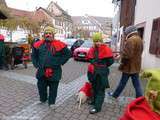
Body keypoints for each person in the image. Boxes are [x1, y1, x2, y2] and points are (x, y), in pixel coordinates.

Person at [31, 26, 71, 108]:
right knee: (41, 87)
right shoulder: (38, 44)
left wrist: (60, 62)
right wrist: (36, 64)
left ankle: (52, 102)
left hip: (55, 71)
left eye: (50, 33)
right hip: (42, 70)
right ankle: (43, 99)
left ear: (53, 35)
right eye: (46, 33)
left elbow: (68, 54)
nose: (48, 35)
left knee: (53, 88)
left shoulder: (59, 44)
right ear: (44, 35)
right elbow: (33, 55)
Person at [110, 25, 143, 99]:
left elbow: (128, 54)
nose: (125, 34)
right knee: (137, 84)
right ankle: (140, 98)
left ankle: (115, 95)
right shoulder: (139, 39)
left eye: (126, 32)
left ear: (129, 32)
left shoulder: (130, 40)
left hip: (128, 67)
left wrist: (120, 57)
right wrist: (122, 53)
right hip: (136, 66)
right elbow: (136, 52)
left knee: (123, 83)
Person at [87, 32, 114, 114]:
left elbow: (110, 61)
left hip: (102, 74)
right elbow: (90, 59)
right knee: (94, 88)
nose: (98, 43)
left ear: (102, 41)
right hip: (93, 73)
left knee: (100, 90)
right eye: (96, 41)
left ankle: (97, 108)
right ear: (94, 42)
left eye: (99, 41)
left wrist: (103, 66)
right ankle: (94, 102)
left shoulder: (106, 49)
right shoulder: (92, 49)